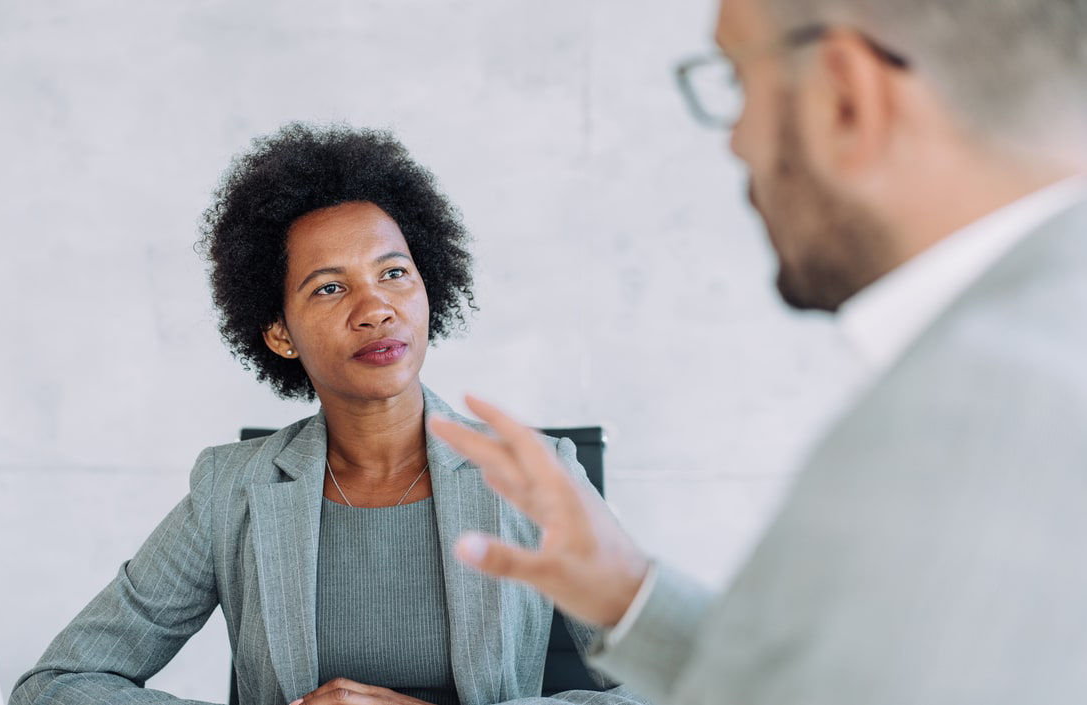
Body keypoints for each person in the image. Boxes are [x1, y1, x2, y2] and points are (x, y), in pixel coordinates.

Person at [430, 0, 1087, 702]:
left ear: (845, 98)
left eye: (738, 83)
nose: (734, 142)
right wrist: (630, 597)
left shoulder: (980, 407)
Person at [9, 124, 647, 705]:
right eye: (330, 287)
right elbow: (55, 688)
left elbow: (675, 691)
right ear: (281, 333)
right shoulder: (231, 491)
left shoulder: (536, 477)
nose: (375, 308)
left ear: (430, 290)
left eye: (394, 272)